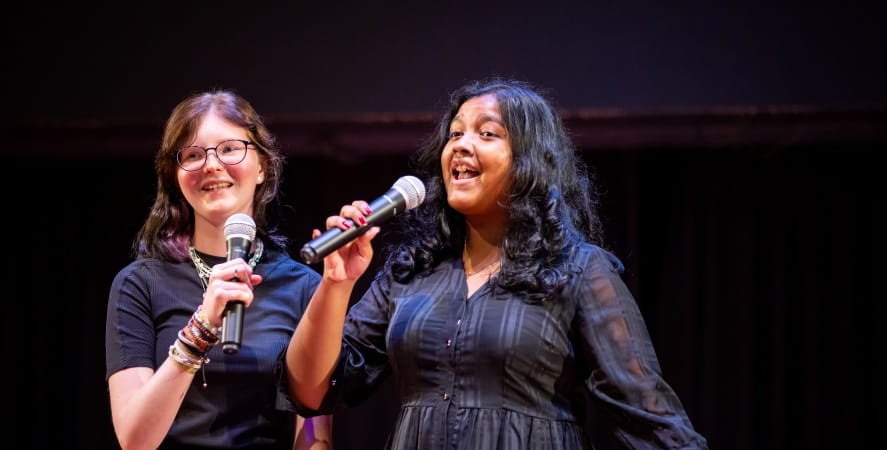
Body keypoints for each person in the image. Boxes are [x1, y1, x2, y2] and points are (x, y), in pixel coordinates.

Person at [285, 78, 708, 449]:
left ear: (528, 162)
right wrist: (336, 284)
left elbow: (647, 415)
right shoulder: (410, 272)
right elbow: (313, 392)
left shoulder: (579, 269)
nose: (461, 145)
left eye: (487, 134)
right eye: (454, 135)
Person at [105, 90, 332, 449]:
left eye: (229, 149)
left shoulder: (303, 286)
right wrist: (202, 326)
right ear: (176, 177)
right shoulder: (140, 283)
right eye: (193, 155)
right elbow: (135, 439)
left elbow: (314, 433)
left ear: (262, 167)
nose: (211, 165)